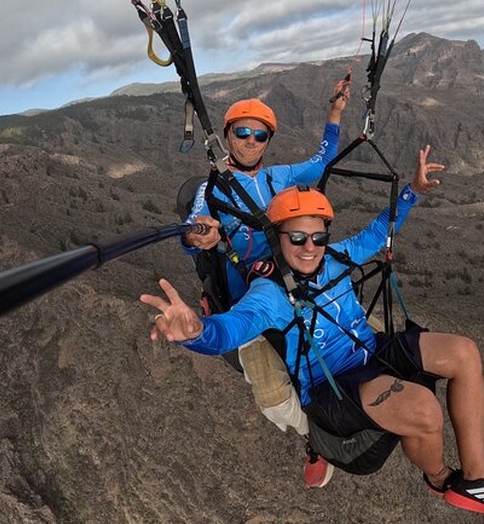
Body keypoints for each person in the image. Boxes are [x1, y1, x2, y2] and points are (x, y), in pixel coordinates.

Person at [142, 146, 484, 522]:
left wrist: (412, 191)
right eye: (296, 238)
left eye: (318, 237)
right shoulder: (270, 293)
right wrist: (196, 332)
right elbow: (232, 329)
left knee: (464, 352)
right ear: (277, 238)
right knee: (424, 408)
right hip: (332, 385)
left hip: (369, 350)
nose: (309, 248)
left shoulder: (334, 258)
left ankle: (476, 480)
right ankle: (441, 478)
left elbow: (376, 234)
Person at [179, 79, 351, 487]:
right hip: (252, 299)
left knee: (354, 339)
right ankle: (316, 437)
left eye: (260, 135)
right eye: (243, 132)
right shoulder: (212, 188)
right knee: (273, 397)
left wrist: (335, 114)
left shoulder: (278, 177)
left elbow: (322, 161)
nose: (250, 141)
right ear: (227, 135)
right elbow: (192, 227)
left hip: (295, 280)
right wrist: (197, 236)